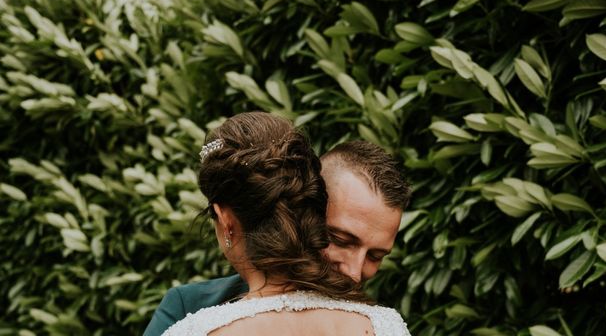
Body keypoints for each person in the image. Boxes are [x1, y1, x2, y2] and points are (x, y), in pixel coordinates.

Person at [144, 117, 411, 335]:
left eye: (376, 256)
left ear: (226, 222)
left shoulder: (382, 323)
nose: (354, 274)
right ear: (308, 210)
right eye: (339, 239)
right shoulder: (187, 308)